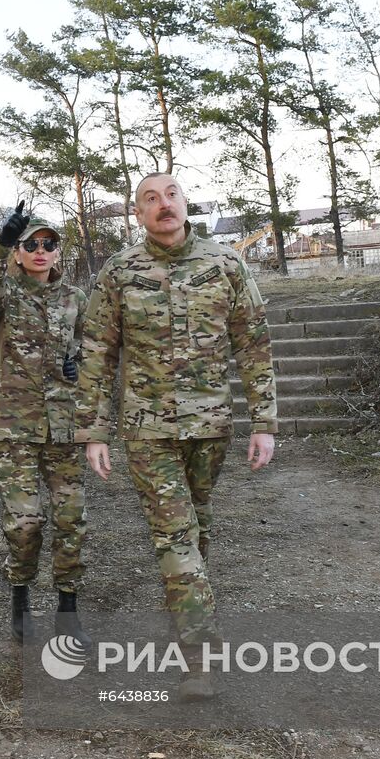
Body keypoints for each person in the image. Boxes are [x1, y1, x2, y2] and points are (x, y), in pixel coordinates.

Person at [75, 173, 277, 699]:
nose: (163, 205)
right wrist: (94, 431)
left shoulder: (225, 264)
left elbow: (252, 345)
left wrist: (265, 423)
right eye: (150, 199)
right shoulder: (119, 272)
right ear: (137, 214)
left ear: (186, 204)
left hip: (212, 426)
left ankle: (187, 612)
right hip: (148, 430)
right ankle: (201, 660)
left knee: (197, 527)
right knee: (176, 535)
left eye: (172, 196)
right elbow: (98, 354)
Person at [0, 202, 90, 644]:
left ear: (58, 253)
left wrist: (77, 361)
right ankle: (20, 594)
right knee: (25, 524)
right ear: (20, 253)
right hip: (13, 427)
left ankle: (68, 606)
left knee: (71, 519)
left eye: (49, 244)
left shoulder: (75, 298)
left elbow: (87, 346)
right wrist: (1, 244)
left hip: (63, 426)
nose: (41, 251)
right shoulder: (6, 295)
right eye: (31, 245)